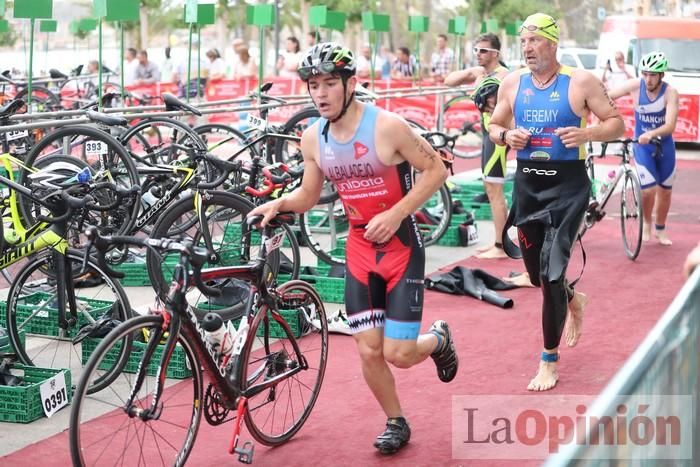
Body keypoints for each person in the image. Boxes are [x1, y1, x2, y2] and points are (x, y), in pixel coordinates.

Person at [248, 42, 459, 454]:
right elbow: (309, 196)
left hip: (400, 247)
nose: (321, 93)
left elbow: (437, 169)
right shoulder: (314, 138)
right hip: (360, 249)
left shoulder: (387, 127)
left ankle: (438, 341)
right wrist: (280, 202)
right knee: (367, 349)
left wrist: (398, 213)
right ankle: (396, 420)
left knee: (398, 353)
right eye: (313, 84)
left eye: (330, 83)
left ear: (351, 84)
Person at [487, 13, 625, 391]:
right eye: (523, 41)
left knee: (550, 275)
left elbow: (617, 123)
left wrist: (587, 132)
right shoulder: (512, 83)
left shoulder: (580, 81)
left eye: (534, 40)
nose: (527, 48)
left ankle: (548, 360)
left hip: (569, 189)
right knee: (535, 276)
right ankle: (573, 299)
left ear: (552, 43)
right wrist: (505, 135)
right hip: (529, 186)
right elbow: (494, 123)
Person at [445, 33, 509, 259]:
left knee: (494, 189)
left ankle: (501, 247)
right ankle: (499, 241)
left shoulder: (504, 76)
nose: (478, 55)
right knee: (490, 188)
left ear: (496, 53)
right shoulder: (480, 73)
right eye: (476, 50)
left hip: (497, 137)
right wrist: (474, 71)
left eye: (483, 51)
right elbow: (449, 80)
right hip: (486, 135)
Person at [607, 52, 679, 246]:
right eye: (645, 74)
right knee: (648, 190)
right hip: (642, 147)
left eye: (653, 75)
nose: (648, 79)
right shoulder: (634, 87)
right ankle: (646, 223)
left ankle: (661, 229)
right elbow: (607, 95)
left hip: (664, 147)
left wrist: (652, 134)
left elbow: (670, 125)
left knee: (665, 191)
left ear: (661, 75)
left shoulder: (670, 92)